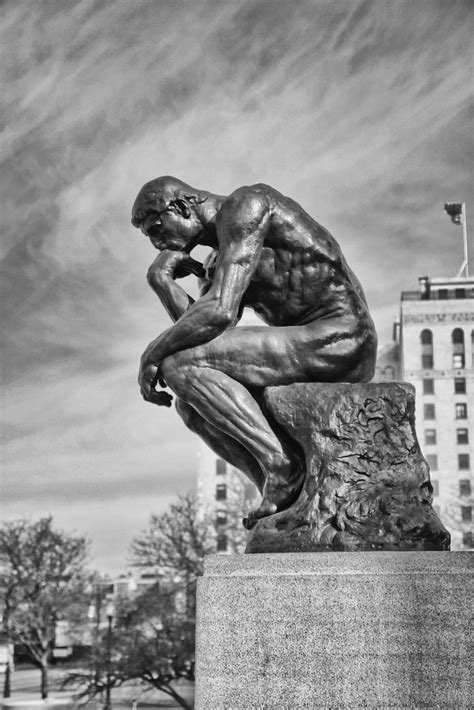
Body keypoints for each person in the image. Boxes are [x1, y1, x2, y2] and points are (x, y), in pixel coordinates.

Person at [131, 176, 377, 527]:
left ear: (183, 207)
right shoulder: (219, 260)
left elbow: (218, 312)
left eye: (156, 228)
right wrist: (163, 282)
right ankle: (281, 493)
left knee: (177, 363)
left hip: (342, 337)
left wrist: (151, 354)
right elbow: (201, 333)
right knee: (190, 406)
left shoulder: (247, 206)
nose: (157, 244)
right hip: (308, 342)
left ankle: (282, 465)